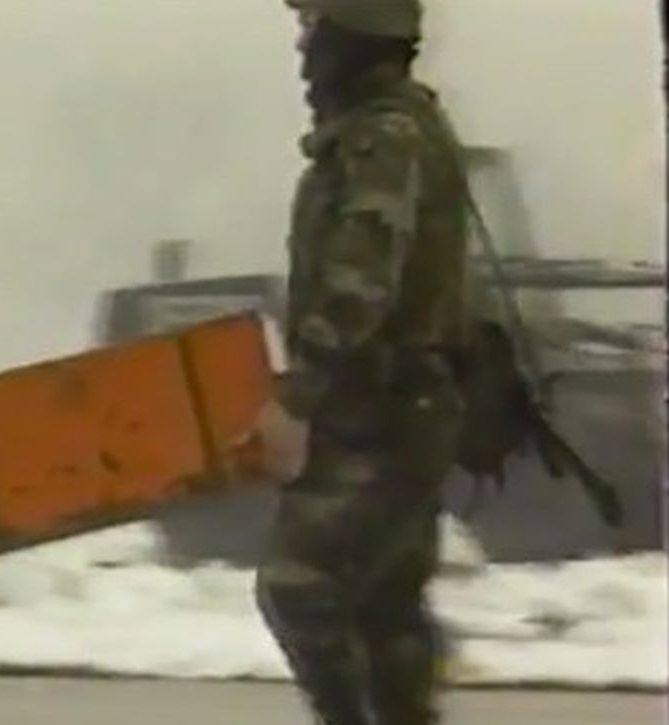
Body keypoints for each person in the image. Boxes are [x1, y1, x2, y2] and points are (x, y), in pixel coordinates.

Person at [252, 1, 473, 723]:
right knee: (383, 611)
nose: (303, 48)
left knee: (299, 587)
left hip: (379, 414)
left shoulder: (383, 139)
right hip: (403, 409)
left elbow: (360, 282)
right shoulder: (396, 129)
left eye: (314, 26)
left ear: (354, 35)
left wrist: (297, 396)